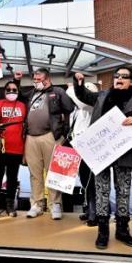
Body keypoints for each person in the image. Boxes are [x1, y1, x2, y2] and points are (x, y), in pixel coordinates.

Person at [74, 68, 132, 249]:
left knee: (123, 192)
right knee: (102, 192)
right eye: (117, 76)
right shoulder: (102, 96)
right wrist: (78, 83)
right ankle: (103, 232)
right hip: (102, 154)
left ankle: (122, 231)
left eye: (124, 77)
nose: (119, 78)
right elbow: (84, 96)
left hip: (125, 154)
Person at [18, 68, 75, 220]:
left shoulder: (57, 91)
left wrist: (63, 134)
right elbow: (18, 97)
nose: (35, 80)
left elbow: (70, 108)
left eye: (39, 77)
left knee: (54, 172)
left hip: (51, 136)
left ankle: (55, 203)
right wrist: (17, 81)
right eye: (34, 78)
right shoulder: (31, 93)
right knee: (35, 173)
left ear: (47, 78)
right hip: (31, 137)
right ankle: (37, 204)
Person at [0, 80, 27, 217]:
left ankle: (10, 205)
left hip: (17, 147)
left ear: (18, 91)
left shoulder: (23, 105)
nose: (11, 92)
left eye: (14, 89)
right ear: (4, 91)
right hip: (1, 146)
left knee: (12, 177)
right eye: (9, 89)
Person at [66, 82, 98, 226]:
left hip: (90, 147)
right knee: (84, 179)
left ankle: (94, 212)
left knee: (91, 180)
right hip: (78, 146)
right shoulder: (76, 111)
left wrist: (72, 87)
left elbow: (82, 102)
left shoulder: (91, 106)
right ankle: (88, 208)